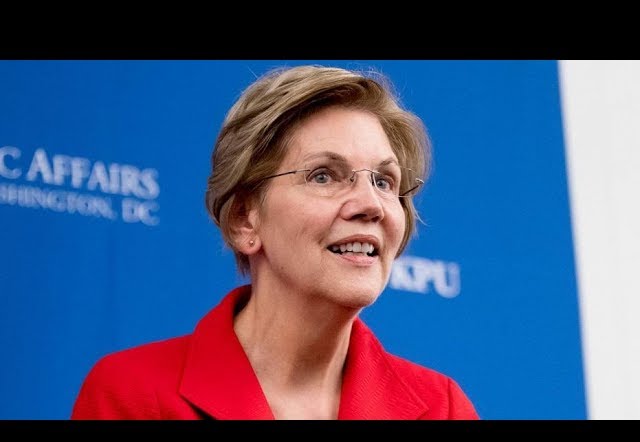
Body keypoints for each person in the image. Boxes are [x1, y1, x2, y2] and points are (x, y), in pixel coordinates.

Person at [71, 64, 479, 420]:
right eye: (323, 175)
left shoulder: (441, 407)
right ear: (244, 219)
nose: (371, 205)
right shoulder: (133, 394)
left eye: (384, 181)